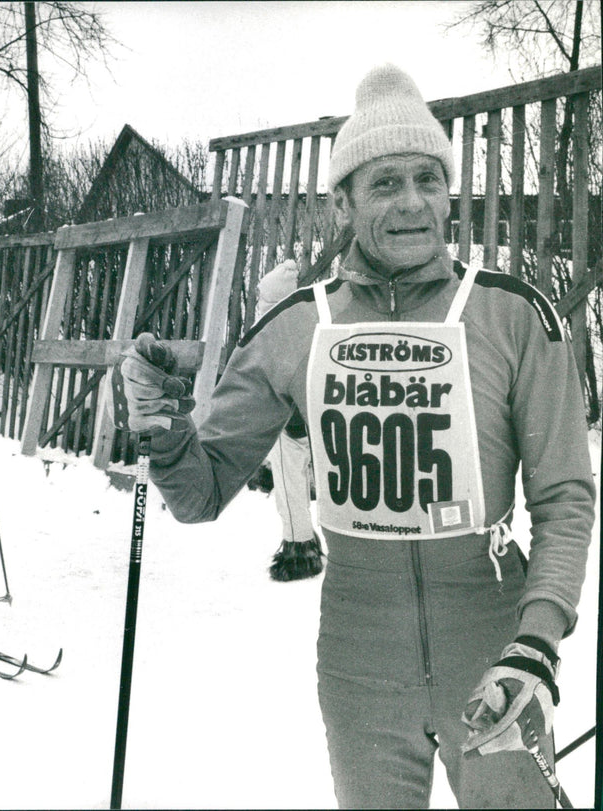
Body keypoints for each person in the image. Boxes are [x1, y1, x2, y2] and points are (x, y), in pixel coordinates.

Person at [112, 64, 595, 808]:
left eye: (428, 180)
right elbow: (200, 493)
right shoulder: (298, 325)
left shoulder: (512, 314)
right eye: (385, 184)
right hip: (359, 654)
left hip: (493, 639)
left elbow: (564, 494)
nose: (412, 204)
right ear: (342, 200)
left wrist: (534, 642)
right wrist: (160, 424)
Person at [253, 259, 324, 582]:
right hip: (313, 414)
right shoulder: (307, 322)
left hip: (285, 420)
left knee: (290, 487)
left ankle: (300, 550)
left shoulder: (266, 326)